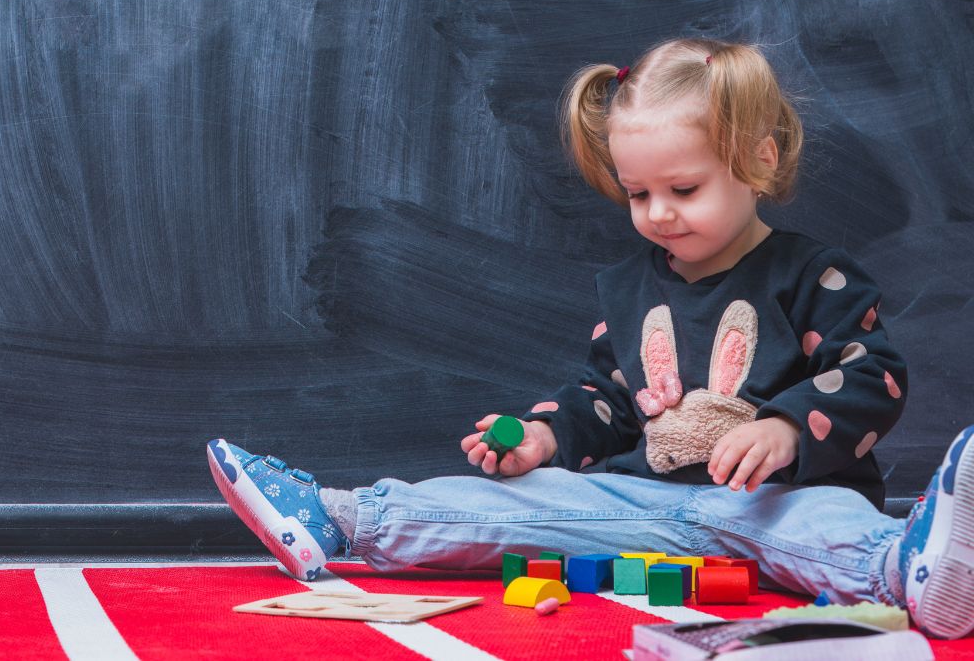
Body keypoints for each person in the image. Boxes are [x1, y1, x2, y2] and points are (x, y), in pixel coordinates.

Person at [205, 37, 974, 639]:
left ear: (758, 161)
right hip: (641, 504)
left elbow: (873, 373)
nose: (658, 214)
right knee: (509, 503)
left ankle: (908, 567)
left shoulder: (815, 276)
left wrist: (781, 426)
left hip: (771, 505)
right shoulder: (629, 290)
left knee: (825, 527)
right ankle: (336, 515)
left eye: (684, 189)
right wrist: (542, 438)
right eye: (638, 194)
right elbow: (605, 400)